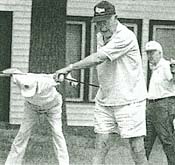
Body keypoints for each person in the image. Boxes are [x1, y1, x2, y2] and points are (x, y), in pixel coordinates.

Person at [54, 1, 148, 164]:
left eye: (105, 21)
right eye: (98, 22)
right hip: (105, 99)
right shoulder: (100, 35)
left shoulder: (126, 36)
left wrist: (70, 68)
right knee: (101, 144)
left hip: (130, 101)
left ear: (115, 18)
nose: (102, 27)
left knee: (136, 148)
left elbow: (98, 58)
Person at [3, 68, 76, 165]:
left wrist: (71, 80)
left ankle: (64, 163)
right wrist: (5, 72)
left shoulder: (47, 80)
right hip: (31, 107)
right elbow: (13, 71)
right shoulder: (20, 79)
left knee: (57, 133)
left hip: (53, 106)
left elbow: (65, 73)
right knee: (22, 133)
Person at [144, 41, 175, 165]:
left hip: (163, 105)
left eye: (153, 53)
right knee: (145, 141)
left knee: (167, 140)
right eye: (148, 53)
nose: (150, 56)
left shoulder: (166, 65)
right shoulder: (155, 68)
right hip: (151, 105)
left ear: (160, 53)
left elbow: (172, 79)